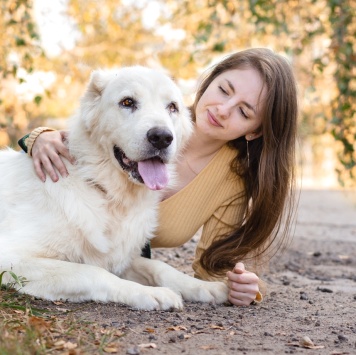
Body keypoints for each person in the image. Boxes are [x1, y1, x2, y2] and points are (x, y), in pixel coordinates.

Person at [20, 48, 298, 307]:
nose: (222, 110)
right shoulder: (152, 107)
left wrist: (244, 285)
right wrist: (38, 136)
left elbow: (215, 267)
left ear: (255, 131)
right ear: (209, 81)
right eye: (224, 90)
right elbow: (84, 131)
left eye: (243, 111)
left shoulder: (231, 180)